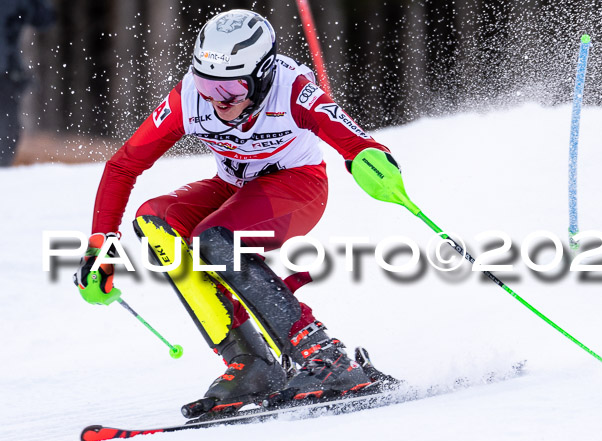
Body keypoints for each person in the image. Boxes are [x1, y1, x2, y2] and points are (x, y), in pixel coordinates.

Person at [74, 8, 402, 418]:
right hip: (237, 189)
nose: (215, 99)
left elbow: (355, 141)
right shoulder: (189, 99)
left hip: (297, 187)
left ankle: (327, 358)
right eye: (205, 82)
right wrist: (100, 246)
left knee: (216, 239)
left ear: (262, 74)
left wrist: (373, 159)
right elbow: (123, 166)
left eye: (230, 86)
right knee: (155, 221)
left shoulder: (291, 88)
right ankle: (250, 363)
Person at [0, 0, 55, 167]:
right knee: (6, 128)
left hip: (7, 72)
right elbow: (44, 18)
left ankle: (3, 171)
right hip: (7, 71)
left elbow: (44, 18)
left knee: (6, 128)